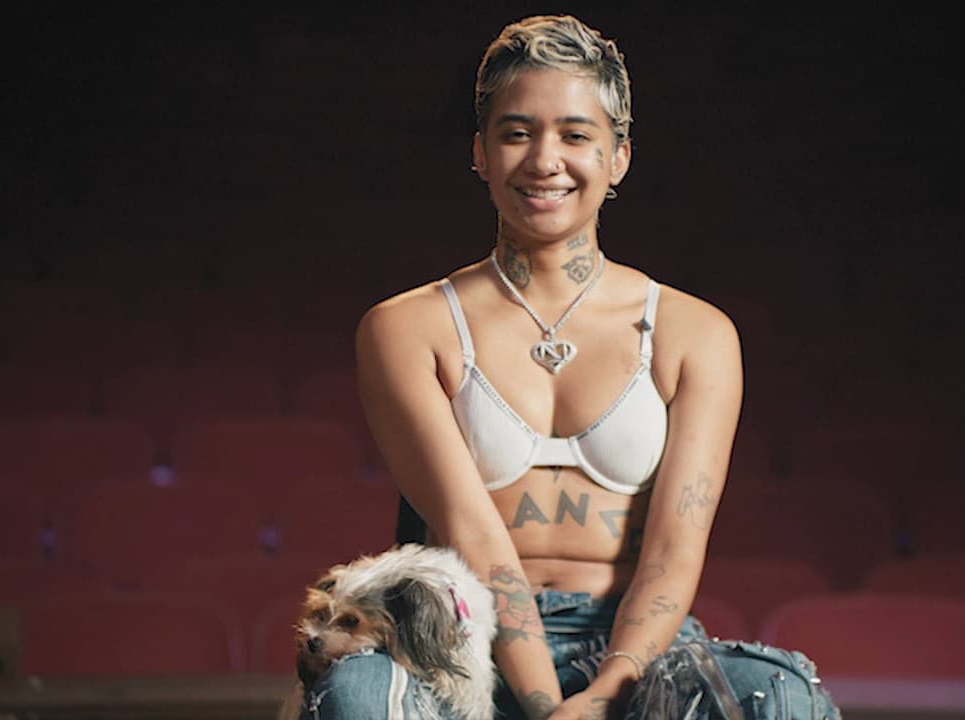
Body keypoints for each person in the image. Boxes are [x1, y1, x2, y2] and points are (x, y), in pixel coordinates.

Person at [313, 14, 841, 720]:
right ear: (480, 152)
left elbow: (673, 553)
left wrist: (604, 695)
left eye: (575, 134)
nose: (544, 160)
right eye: (516, 132)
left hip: (636, 653)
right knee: (358, 696)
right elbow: (472, 533)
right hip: (461, 644)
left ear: (618, 156)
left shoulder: (695, 334)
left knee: (781, 695)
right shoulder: (407, 328)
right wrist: (545, 707)